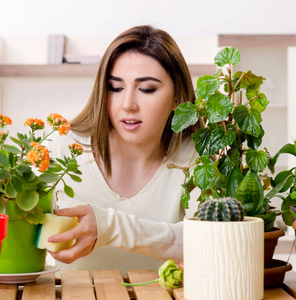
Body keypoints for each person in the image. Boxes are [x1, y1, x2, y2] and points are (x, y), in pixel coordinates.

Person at [46, 25, 202, 274]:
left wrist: (109, 227)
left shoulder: (198, 158)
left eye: (147, 89)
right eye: (115, 88)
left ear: (177, 97)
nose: (128, 105)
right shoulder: (63, 147)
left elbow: (209, 237)